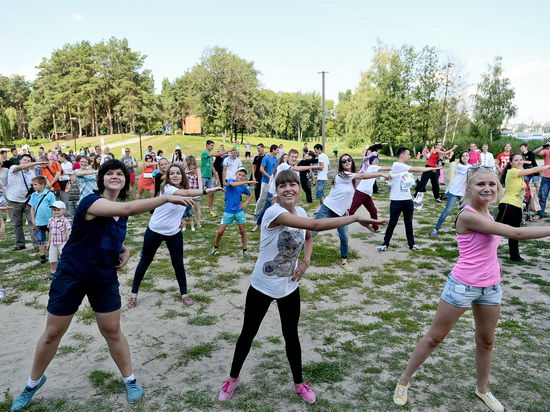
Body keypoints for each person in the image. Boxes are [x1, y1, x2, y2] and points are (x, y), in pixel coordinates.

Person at [9, 159, 196, 412]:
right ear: (102, 179)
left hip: (103, 277)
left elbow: (111, 234)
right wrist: (166, 198)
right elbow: (129, 208)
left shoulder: (118, 213)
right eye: (110, 173)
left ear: (125, 180)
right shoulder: (91, 201)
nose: (115, 176)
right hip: (72, 275)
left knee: (112, 330)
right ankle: (32, 383)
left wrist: (125, 250)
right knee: (53, 332)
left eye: (120, 173)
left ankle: (129, 379)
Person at [217, 170, 385, 404]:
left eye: (293, 184)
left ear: (298, 187)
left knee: (291, 335)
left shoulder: (302, 212)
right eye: (283, 185)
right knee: (248, 333)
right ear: (277, 190)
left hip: (289, 286)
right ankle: (232, 379)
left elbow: (308, 236)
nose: (288, 189)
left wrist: (306, 261)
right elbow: (316, 224)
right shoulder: (273, 212)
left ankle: (299, 383)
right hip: (262, 286)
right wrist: (356, 218)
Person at [392, 166, 550, 412]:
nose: (487, 188)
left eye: (491, 184)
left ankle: (483, 389)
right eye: (480, 184)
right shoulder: (468, 215)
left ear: (498, 187)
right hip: (463, 285)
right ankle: (403, 380)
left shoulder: (487, 212)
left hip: (490, 287)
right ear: (468, 188)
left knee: (486, 341)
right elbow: (516, 233)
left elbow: (484, 247)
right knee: (435, 337)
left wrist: (495, 266)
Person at [128, 163, 223, 309]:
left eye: (178, 173)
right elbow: (185, 195)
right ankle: (133, 294)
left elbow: (186, 198)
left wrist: (182, 218)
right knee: (145, 261)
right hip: (155, 230)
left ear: (182, 175)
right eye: (172, 173)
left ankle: (184, 294)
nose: (175, 175)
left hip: (174, 232)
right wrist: (209, 189)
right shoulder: (167, 188)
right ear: (168, 177)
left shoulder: (183, 190)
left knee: (178, 263)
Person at [315, 154, 390, 271]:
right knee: (313, 232)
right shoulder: (343, 174)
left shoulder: (352, 179)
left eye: (348, 160)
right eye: (343, 161)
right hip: (328, 208)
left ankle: (344, 261)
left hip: (342, 213)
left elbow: (348, 195)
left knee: (344, 237)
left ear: (352, 161)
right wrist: (381, 174)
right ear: (341, 164)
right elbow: (364, 175)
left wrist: (347, 208)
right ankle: (294, 248)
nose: (346, 162)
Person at [377, 147, 439, 252]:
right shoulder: (398, 165)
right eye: (408, 154)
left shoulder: (401, 167)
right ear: (402, 155)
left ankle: (412, 244)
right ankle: (385, 243)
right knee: (393, 222)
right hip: (396, 200)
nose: (410, 156)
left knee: (409, 223)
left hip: (408, 200)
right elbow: (417, 169)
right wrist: (431, 168)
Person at [496, 154, 550, 262]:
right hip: (508, 204)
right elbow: (534, 170)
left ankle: (514, 256)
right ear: (511, 163)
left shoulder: (519, 174)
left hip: (517, 206)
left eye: (521, 160)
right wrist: (548, 166)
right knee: (495, 230)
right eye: (516, 160)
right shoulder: (513, 171)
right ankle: (482, 250)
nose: (519, 162)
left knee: (515, 233)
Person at [255, 150, 320, 230]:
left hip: (284, 194)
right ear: (288, 157)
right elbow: (295, 169)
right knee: (267, 209)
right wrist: (313, 167)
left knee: (284, 210)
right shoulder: (283, 165)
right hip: (273, 193)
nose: (294, 158)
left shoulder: (296, 169)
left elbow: (296, 181)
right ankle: (258, 224)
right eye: (292, 156)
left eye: (296, 157)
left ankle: (283, 226)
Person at [208, 168, 254, 258]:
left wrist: (246, 202)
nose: (241, 177)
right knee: (220, 231)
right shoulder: (230, 180)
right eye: (239, 175)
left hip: (239, 211)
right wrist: (246, 182)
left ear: (245, 177)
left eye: (243, 176)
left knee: (242, 231)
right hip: (228, 211)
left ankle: (245, 250)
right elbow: (233, 184)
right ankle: (215, 247)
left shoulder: (243, 187)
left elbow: (251, 195)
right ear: (236, 175)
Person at [6, 154, 47, 251]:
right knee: (17, 223)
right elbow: (22, 167)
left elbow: (34, 187)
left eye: (28, 160)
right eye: (24, 160)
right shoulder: (13, 168)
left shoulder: (32, 173)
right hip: (14, 200)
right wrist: (38, 162)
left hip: (28, 200)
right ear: (20, 160)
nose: (26, 162)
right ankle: (20, 244)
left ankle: (37, 244)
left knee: (32, 222)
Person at [431, 151, 471, 236]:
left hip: (464, 193)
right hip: (454, 191)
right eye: (463, 156)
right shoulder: (460, 166)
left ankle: (459, 229)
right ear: (460, 158)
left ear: (469, 157)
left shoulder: (470, 167)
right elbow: (470, 170)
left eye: (467, 156)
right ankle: (436, 229)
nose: (465, 157)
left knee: (462, 212)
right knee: (447, 210)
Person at [349, 154, 390, 232]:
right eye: (376, 160)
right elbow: (386, 168)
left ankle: (375, 228)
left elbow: (383, 177)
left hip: (367, 195)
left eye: (378, 160)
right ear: (372, 162)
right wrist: (398, 167)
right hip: (360, 193)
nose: (377, 162)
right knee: (351, 212)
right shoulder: (372, 167)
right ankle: (340, 227)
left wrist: (388, 176)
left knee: (373, 211)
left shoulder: (374, 170)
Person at [29, 176, 57, 264]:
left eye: (35, 184)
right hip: (39, 222)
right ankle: (42, 256)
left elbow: (54, 208)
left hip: (49, 221)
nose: (33, 186)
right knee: (40, 240)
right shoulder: (33, 195)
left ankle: (54, 255)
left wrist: (54, 219)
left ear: (43, 184)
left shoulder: (50, 194)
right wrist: (33, 220)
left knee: (53, 238)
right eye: (33, 185)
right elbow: (32, 208)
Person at [201, 140, 227, 217]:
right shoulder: (205, 153)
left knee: (211, 194)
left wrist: (217, 178)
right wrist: (227, 151)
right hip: (203, 176)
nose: (212, 147)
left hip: (209, 177)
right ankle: (195, 208)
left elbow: (212, 167)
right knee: (199, 193)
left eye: (213, 146)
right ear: (207, 145)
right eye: (211, 145)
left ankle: (210, 210)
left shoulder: (211, 158)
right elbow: (217, 154)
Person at [47, 201, 71, 277]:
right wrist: (48, 242)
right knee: (52, 259)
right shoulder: (50, 220)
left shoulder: (65, 220)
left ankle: (67, 273)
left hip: (62, 242)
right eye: (54, 210)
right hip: (53, 243)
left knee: (64, 258)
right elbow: (50, 232)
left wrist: (69, 242)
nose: (56, 212)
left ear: (63, 210)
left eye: (58, 210)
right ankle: (53, 273)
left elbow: (68, 232)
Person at [254, 145, 278, 220]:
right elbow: (261, 169)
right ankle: (257, 213)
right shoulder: (266, 157)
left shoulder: (275, 159)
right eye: (277, 150)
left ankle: (269, 213)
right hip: (265, 181)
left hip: (273, 182)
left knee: (272, 198)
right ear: (273, 150)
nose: (278, 152)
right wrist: (269, 177)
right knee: (262, 197)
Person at [533, 142, 550, 219]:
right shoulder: (547, 151)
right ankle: (539, 214)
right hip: (546, 177)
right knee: (542, 197)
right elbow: (535, 152)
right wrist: (544, 146)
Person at [185, 156, 202, 230]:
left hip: (195, 191)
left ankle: (198, 222)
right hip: (187, 192)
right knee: (186, 208)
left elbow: (199, 180)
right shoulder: (186, 169)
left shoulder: (197, 169)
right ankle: (185, 222)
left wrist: (200, 190)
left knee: (197, 208)